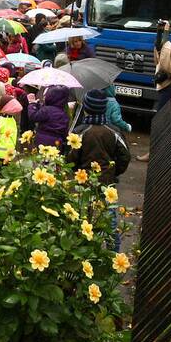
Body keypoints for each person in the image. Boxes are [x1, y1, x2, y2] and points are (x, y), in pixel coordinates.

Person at [65, 103, 130, 251]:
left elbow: (70, 158)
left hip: (84, 182)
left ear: (87, 109)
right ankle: (113, 257)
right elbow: (125, 156)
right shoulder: (114, 131)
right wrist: (114, 172)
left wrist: (77, 171)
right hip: (108, 183)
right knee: (110, 221)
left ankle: (84, 254)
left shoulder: (80, 131)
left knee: (82, 219)